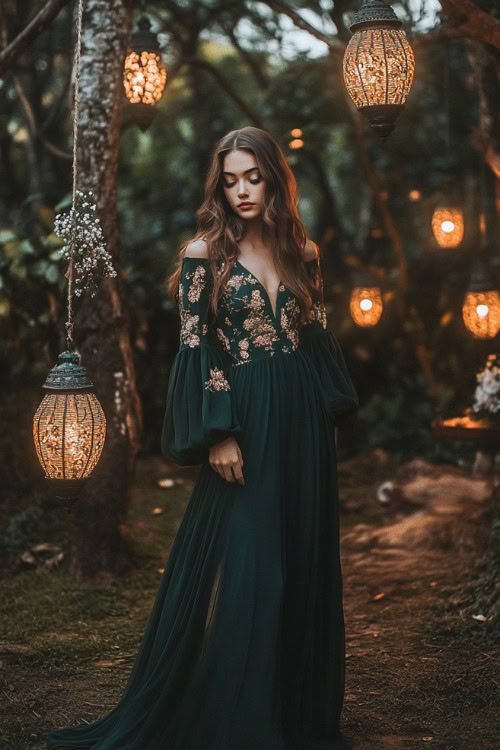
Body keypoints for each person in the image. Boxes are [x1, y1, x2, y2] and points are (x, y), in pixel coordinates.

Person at [46, 126, 359, 750]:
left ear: (274, 177)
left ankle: (295, 719)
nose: (242, 190)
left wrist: (327, 419)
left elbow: (317, 338)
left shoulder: (305, 252)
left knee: (302, 567)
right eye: (231, 179)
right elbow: (196, 346)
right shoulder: (203, 256)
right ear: (220, 186)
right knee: (255, 571)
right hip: (244, 419)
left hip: (302, 421)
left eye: (253, 176)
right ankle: (242, 726)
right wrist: (218, 434)